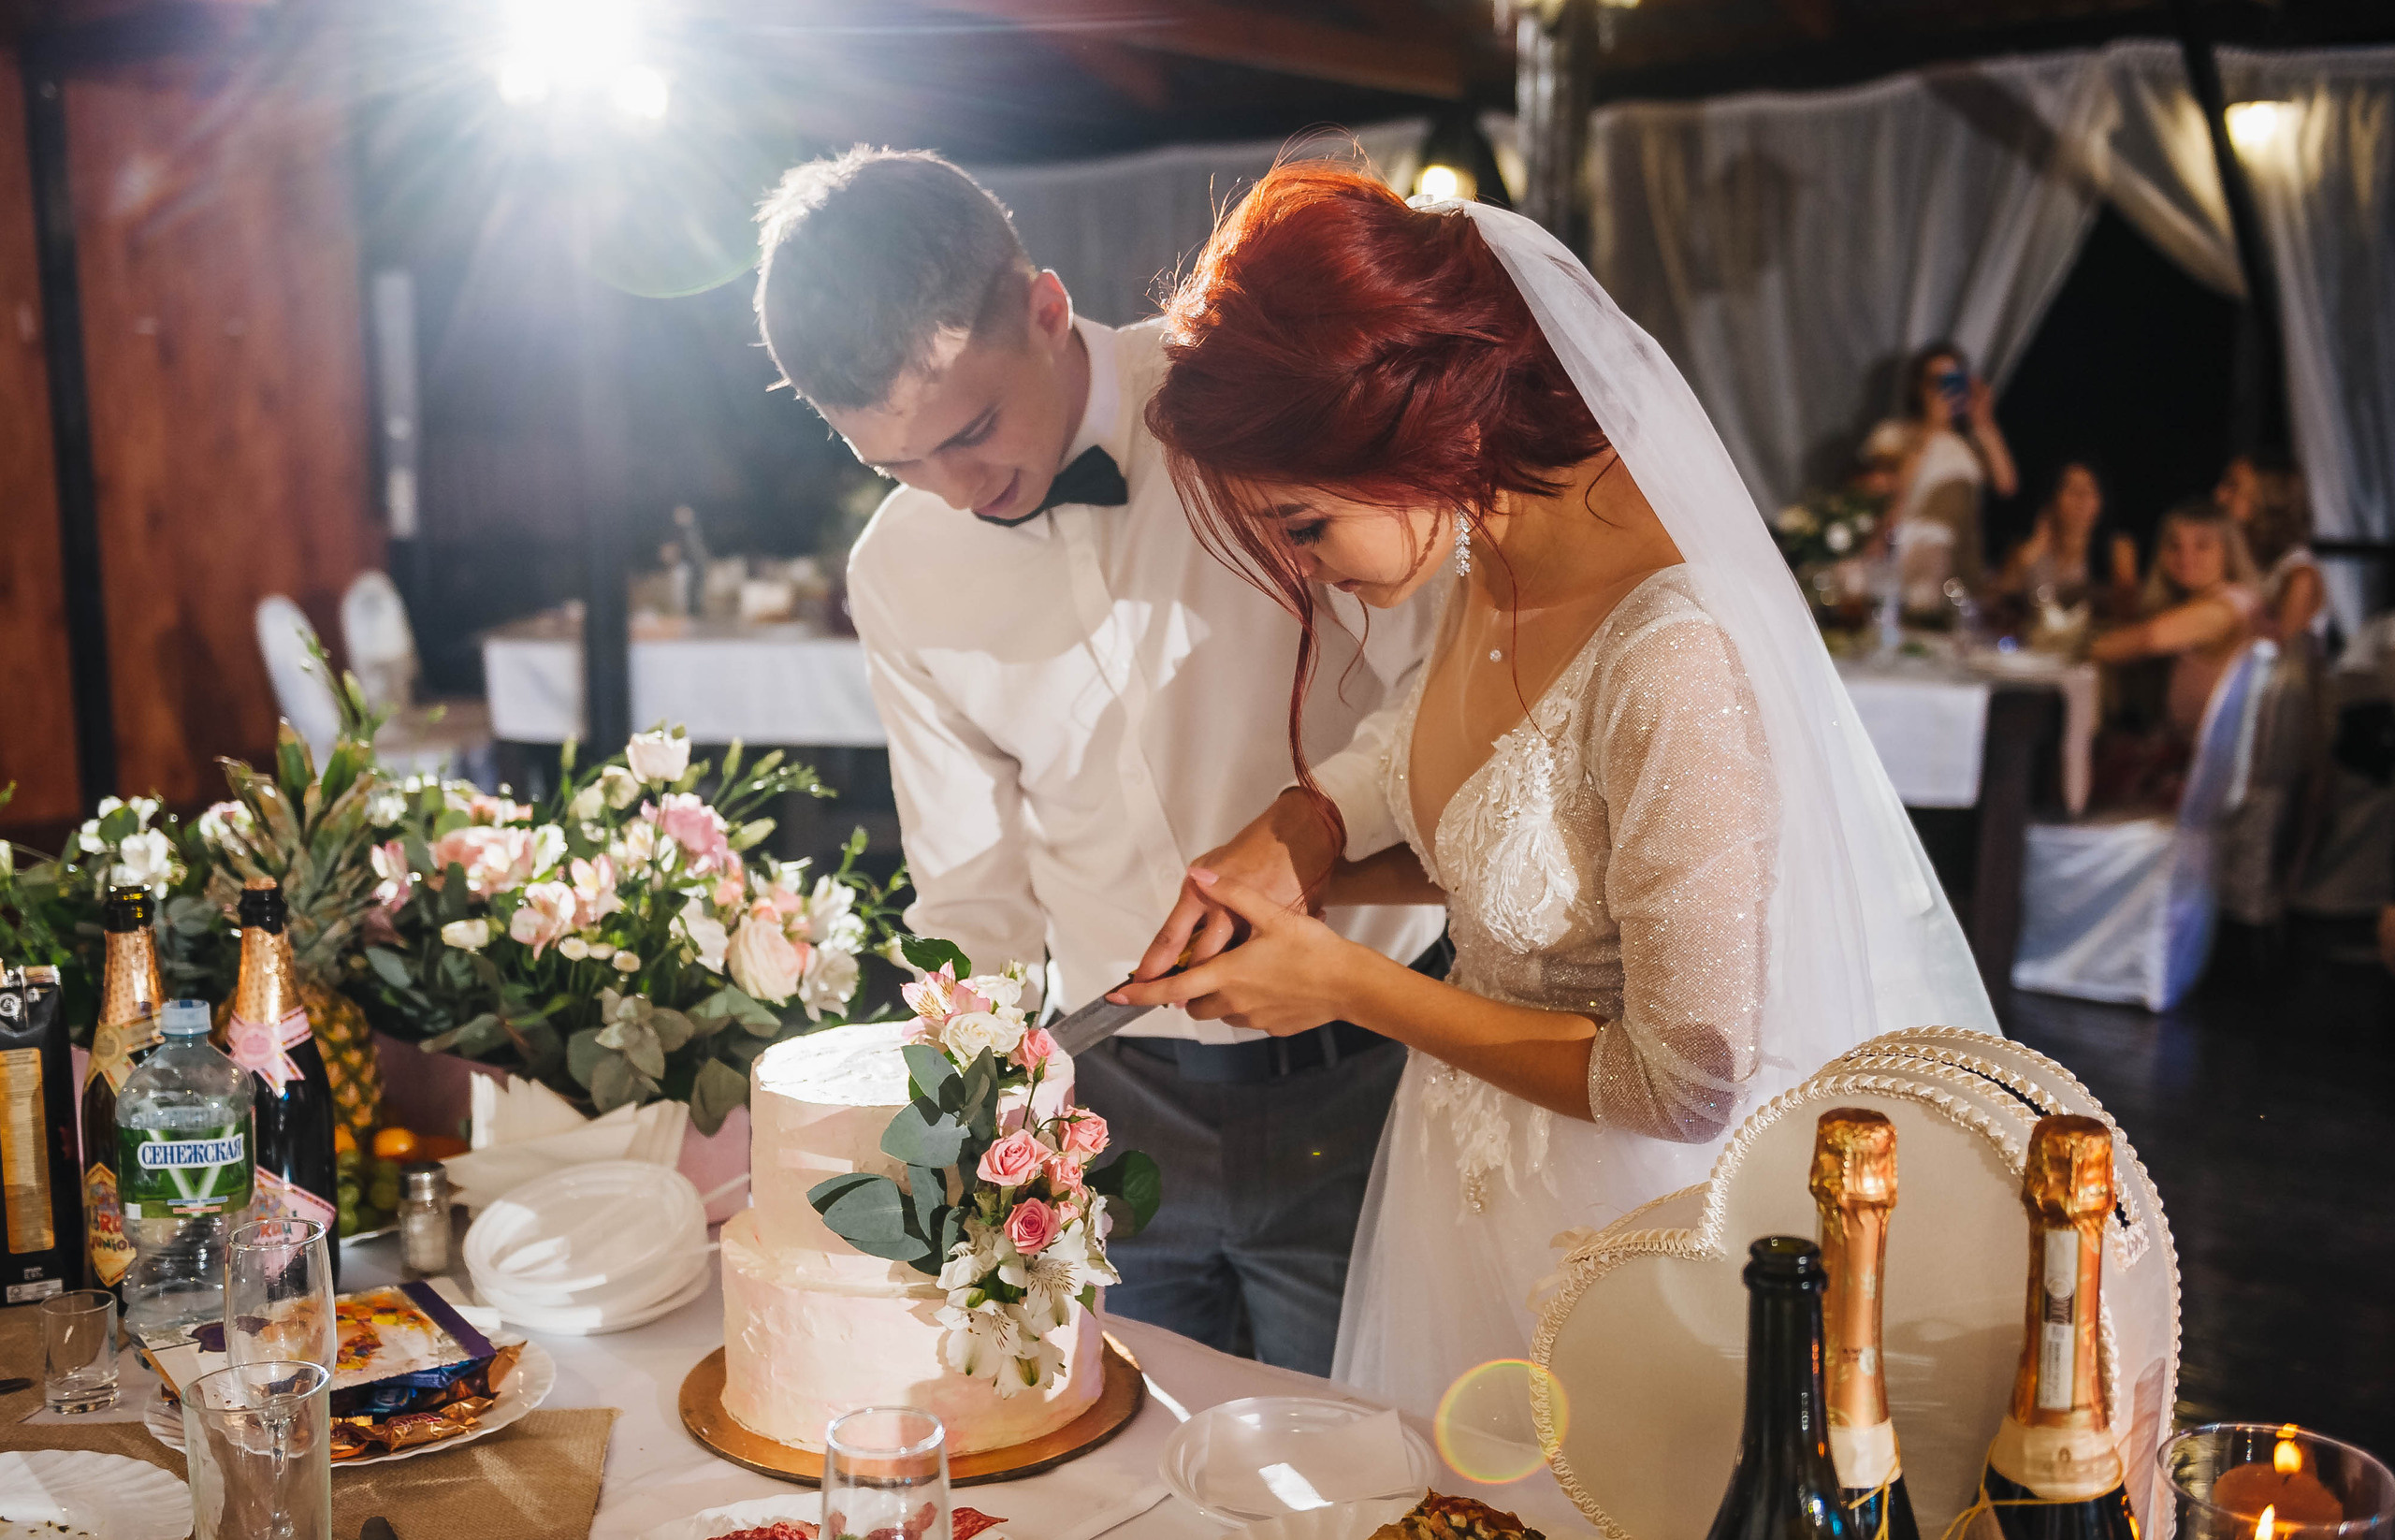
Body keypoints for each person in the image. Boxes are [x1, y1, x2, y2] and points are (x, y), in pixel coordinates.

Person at [1109, 165, 1997, 1418]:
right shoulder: (1488, 542)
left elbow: (1686, 1078)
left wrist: (1347, 979)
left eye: (1305, 526)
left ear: (1410, 434)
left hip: (1631, 1246)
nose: (1305, 574)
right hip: (1468, 1200)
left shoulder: (1672, 651)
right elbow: (1509, 832)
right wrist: (1304, 851)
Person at [751, 149, 1445, 1373]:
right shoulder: (900, 571)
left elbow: (1437, 678)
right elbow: (974, 886)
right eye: (896, 466)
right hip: (1117, 1104)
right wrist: (976, 1122)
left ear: (1048, 308)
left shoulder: (1255, 410)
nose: (955, 494)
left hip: (1374, 1070)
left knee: (1362, 1474)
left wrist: (1320, 814)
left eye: (969, 431)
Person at [2088, 501, 2262, 808]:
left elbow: (2145, 639)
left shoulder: (2224, 608)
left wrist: (2068, 648)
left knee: (2093, 765)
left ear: (2229, 552)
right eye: (2174, 546)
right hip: (2199, 761)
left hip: (2210, 781)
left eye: (2202, 546)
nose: (2186, 557)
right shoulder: (2217, 599)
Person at [1875, 343, 2018, 614]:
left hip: (1962, 571)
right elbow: (1887, 500)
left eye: (1954, 381)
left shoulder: (1967, 444)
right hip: (1910, 568)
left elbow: (2006, 484)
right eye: (1936, 382)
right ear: (1918, 387)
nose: (1945, 390)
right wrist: (1930, 429)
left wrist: (1984, 421)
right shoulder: (1894, 435)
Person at [1992, 458, 2138, 618]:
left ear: (2102, 501)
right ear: (2053, 498)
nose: (2081, 498)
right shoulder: (2026, 547)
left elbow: (2127, 609)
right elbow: (1996, 603)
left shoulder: (2117, 547)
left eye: (2090, 489)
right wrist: (2030, 553)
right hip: (2033, 639)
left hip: (2094, 639)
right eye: (2071, 488)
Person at [2216, 451, 2326, 644]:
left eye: (2233, 486)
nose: (2219, 494)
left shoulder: (2299, 576)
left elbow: (2280, 657)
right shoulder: (2240, 555)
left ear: (2269, 497)